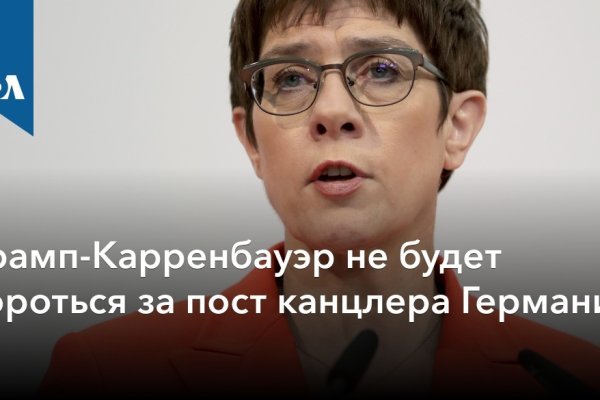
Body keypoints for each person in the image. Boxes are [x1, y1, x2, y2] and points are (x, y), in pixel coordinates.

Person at [39, 0, 600, 397]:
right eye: (290, 78)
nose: (331, 111)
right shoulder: (105, 370)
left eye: (382, 70)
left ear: (456, 127)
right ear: (251, 141)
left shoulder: (572, 376)